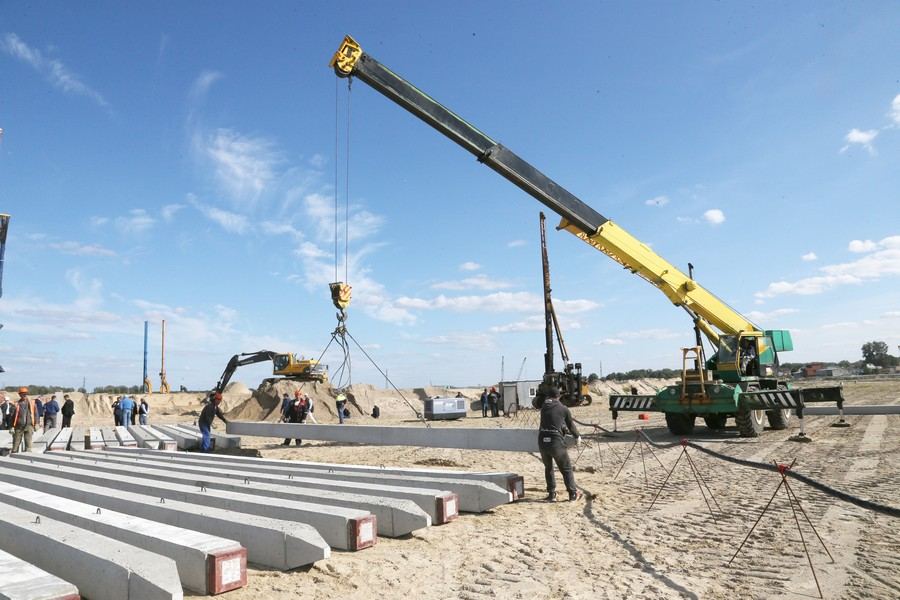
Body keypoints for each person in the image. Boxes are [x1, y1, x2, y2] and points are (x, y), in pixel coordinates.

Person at [537, 385, 582, 502]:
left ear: (548, 396)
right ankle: (573, 494)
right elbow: (570, 426)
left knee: (548, 468)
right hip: (555, 442)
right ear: (559, 396)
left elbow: (552, 420)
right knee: (566, 468)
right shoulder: (563, 408)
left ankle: (552, 494)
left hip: (542, 441)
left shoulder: (544, 407)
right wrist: (577, 436)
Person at [11, 387, 37, 454]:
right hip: (18, 426)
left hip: (29, 426)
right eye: (23, 394)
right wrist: (11, 426)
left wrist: (37, 423)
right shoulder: (17, 404)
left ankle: (27, 457)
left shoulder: (32, 403)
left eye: (25, 394)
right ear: (20, 395)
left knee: (28, 442)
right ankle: (14, 455)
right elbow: (13, 416)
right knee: (16, 442)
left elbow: (36, 414)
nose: (24, 395)